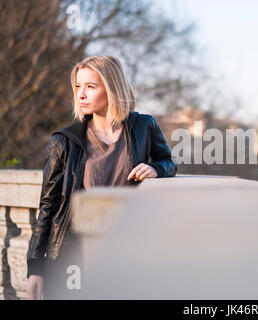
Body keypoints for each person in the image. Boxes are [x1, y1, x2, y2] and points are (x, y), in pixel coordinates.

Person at [26, 56, 177, 299]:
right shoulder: (64, 141)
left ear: (111, 88)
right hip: (74, 255)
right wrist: (35, 268)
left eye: (90, 86)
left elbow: (169, 162)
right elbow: (48, 206)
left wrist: (156, 169)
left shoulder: (144, 126)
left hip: (128, 252)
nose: (81, 94)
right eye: (77, 87)